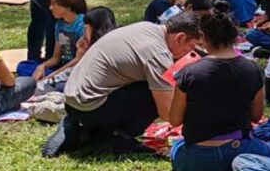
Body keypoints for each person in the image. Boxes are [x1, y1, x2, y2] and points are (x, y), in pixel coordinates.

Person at [44, 11, 202, 157]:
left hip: (73, 101)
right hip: (90, 106)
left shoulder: (146, 27)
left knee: (154, 84)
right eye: (191, 47)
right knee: (155, 91)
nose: (190, 53)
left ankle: (84, 131)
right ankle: (117, 137)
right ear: (180, 37)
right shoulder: (158, 53)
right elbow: (167, 113)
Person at [167, 12, 270, 171]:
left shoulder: (188, 73)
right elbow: (256, 116)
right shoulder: (251, 69)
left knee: (176, 149)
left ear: (204, 38)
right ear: (235, 38)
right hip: (240, 149)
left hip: (198, 158)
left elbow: (175, 119)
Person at [31, 0, 87, 85]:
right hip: (61, 67)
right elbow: (56, 57)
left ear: (68, 6)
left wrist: (53, 75)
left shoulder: (82, 24)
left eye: (54, 4)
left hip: (76, 70)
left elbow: (78, 60)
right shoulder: (59, 25)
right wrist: (42, 66)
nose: (50, 8)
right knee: (25, 66)